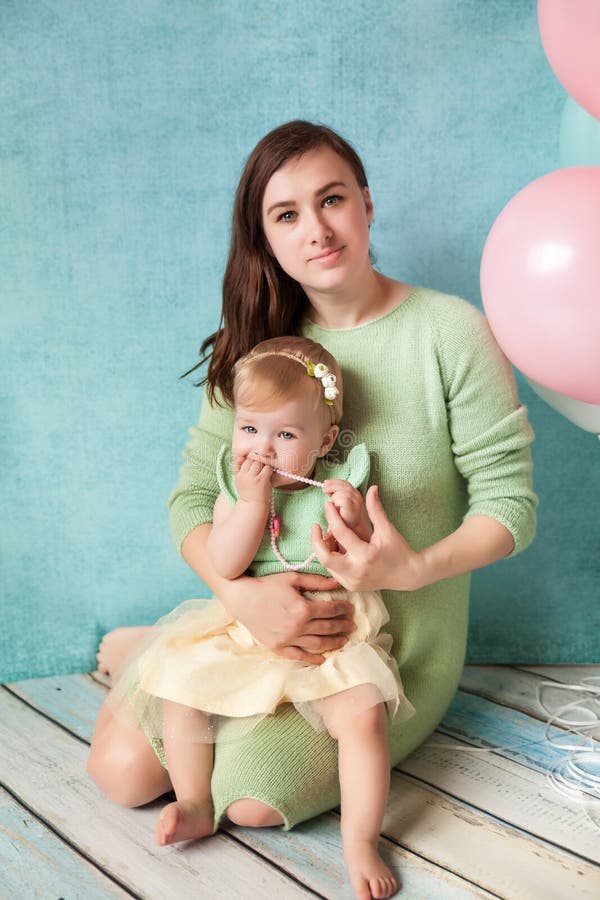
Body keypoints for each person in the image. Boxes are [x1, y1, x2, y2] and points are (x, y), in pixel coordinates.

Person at [89, 120, 537, 900]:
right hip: (255, 617)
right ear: (263, 235)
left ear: (365, 202)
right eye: (286, 213)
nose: (317, 229)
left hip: (383, 649)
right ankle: (163, 642)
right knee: (124, 777)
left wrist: (414, 565)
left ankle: (149, 651)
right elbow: (194, 498)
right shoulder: (257, 349)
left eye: (332, 199)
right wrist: (238, 597)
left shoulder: (452, 333)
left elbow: (512, 502)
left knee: (254, 804)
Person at [100, 336, 413, 898]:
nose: (262, 448)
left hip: (328, 640)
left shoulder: (339, 488)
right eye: (249, 429)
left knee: (363, 717)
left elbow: (360, 566)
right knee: (182, 687)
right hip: (244, 632)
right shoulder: (235, 487)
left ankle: (361, 839)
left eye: (286, 435)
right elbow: (224, 562)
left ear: (325, 442)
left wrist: (352, 524)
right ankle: (195, 801)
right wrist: (250, 504)